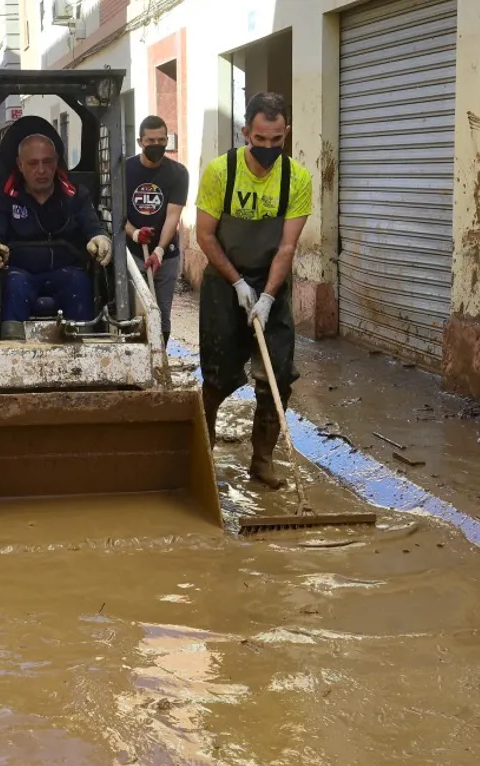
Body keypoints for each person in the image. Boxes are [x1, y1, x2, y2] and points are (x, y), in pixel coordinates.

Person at [195, 92, 312, 489]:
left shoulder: (297, 178)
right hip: (223, 281)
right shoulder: (220, 172)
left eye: (275, 141)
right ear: (246, 132)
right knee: (218, 373)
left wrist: (266, 296)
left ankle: (262, 462)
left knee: (277, 376)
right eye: (259, 140)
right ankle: (202, 450)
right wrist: (238, 284)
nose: (266, 149)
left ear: (286, 134)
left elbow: (286, 247)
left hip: (271, 283)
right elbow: (206, 236)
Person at [0, 133, 112, 339]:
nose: (41, 170)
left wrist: (100, 239)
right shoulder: (2, 196)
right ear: (20, 165)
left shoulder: (76, 194)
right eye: (33, 163)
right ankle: (11, 346)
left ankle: (85, 341)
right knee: (14, 284)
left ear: (56, 162)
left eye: (47, 162)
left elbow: (91, 224)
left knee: (80, 282)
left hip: (66, 271)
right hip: (19, 272)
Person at [123, 115, 189, 343]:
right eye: (150, 141)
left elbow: (173, 216)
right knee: (135, 314)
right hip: (132, 254)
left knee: (162, 313)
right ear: (140, 142)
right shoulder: (124, 170)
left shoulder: (178, 173)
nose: (156, 146)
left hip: (166, 255)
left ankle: (160, 363)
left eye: (161, 140)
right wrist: (134, 233)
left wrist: (160, 249)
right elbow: (115, 213)